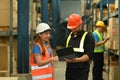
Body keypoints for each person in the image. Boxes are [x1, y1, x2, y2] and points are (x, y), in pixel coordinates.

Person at [64, 13, 95, 80]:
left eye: (75, 28)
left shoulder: (88, 37)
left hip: (81, 71)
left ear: (80, 25)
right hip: (69, 70)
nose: (73, 30)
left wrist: (77, 60)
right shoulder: (69, 36)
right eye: (71, 28)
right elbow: (66, 51)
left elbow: (89, 55)